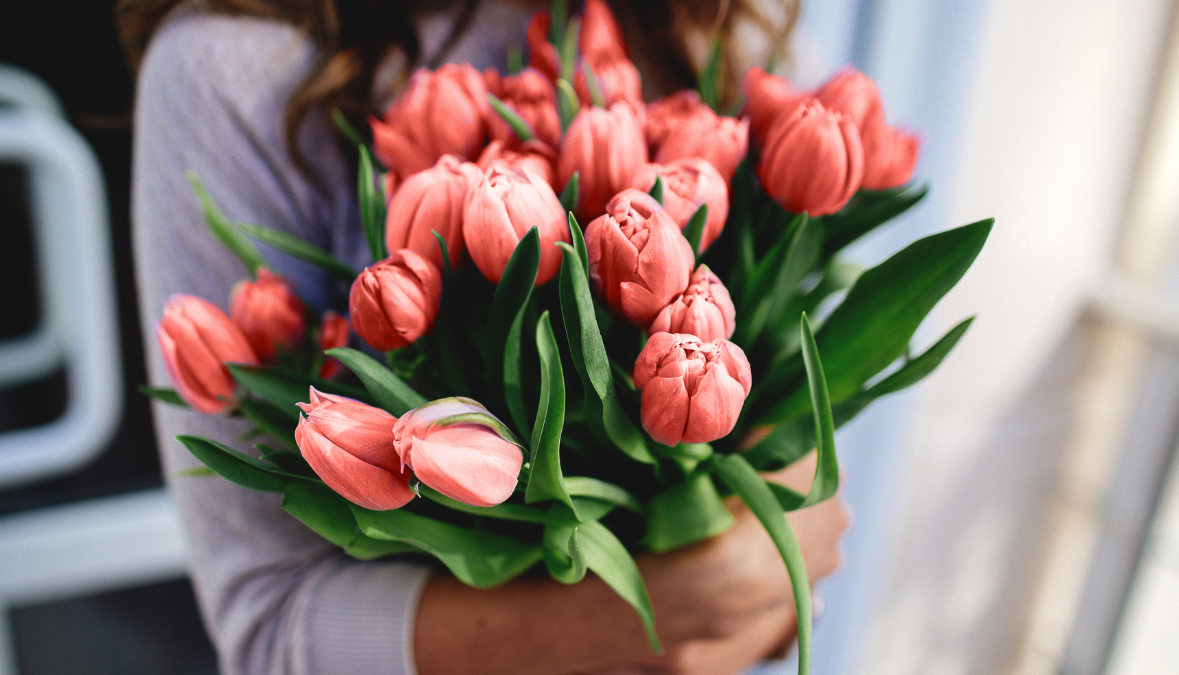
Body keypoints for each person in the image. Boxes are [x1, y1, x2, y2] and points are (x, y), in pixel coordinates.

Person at [119, 1, 849, 673]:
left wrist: (774, 574)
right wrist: (641, 614)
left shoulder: (705, 17)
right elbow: (268, 628)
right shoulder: (233, 67)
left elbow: (796, 487)